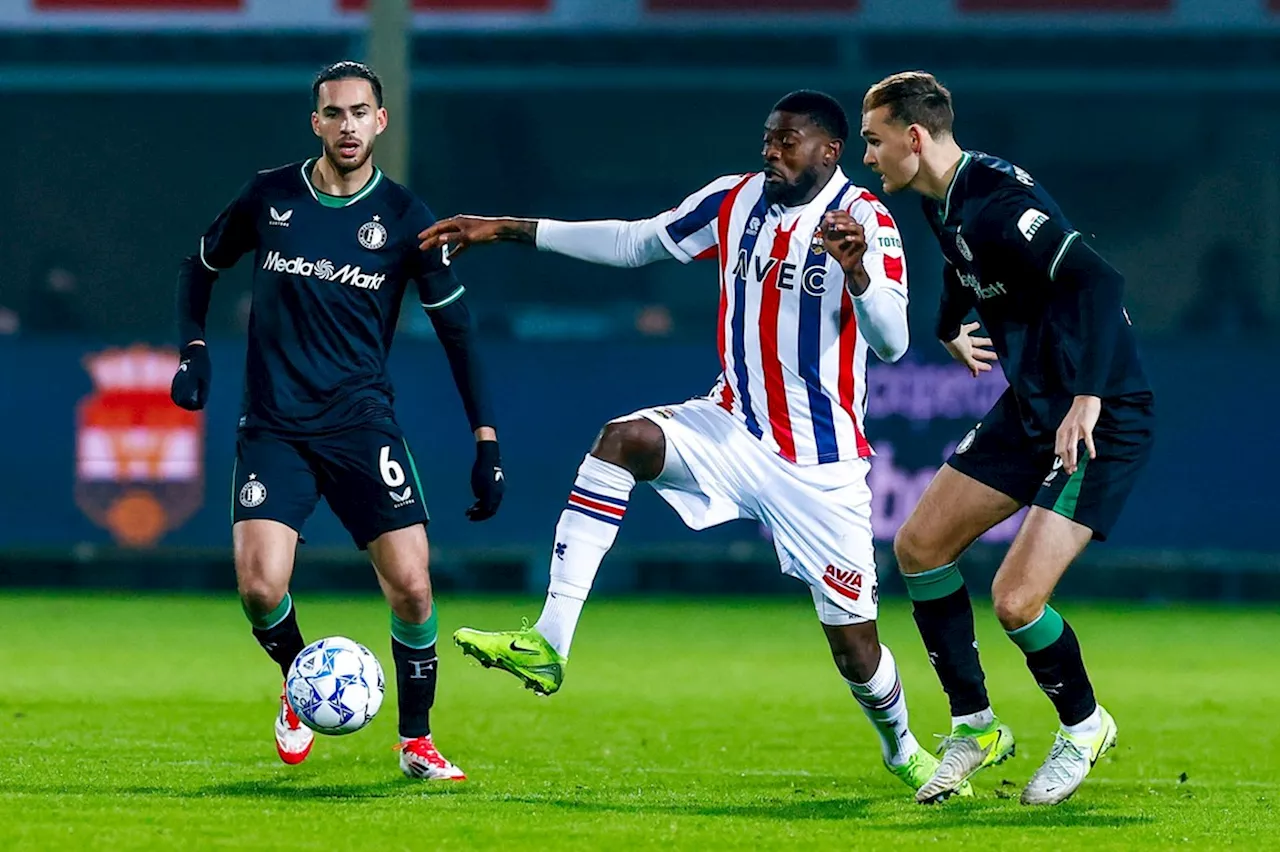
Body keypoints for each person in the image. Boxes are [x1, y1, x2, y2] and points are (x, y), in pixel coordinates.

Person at [421, 90, 970, 797]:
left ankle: (902, 748)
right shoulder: (732, 200)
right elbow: (634, 241)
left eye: (788, 141)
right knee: (623, 440)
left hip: (820, 466)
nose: (771, 152)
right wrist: (506, 229)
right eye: (768, 139)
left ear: (830, 151)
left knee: (856, 650)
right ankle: (549, 642)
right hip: (731, 426)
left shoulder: (866, 220)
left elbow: (893, 344)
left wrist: (858, 271)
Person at [169, 60, 505, 781]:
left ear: (379, 122)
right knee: (260, 587)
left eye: (360, 113)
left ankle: (416, 741)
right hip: (274, 427)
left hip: (361, 426)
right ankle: (301, 686)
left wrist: (487, 439)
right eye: (333, 113)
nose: (347, 125)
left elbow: (459, 333)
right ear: (315, 122)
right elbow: (197, 269)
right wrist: (194, 351)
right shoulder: (271, 197)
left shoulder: (408, 219)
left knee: (413, 587)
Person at [859, 71, 1155, 805]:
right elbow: (966, 272)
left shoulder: (998, 204)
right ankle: (976, 726)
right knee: (918, 548)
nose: (867, 156)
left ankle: (1084, 725)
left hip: (1099, 412)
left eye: (873, 140)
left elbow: (1101, 281)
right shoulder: (943, 200)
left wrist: (1086, 398)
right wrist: (945, 326)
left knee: (1017, 600)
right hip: (1032, 407)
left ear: (914, 137)